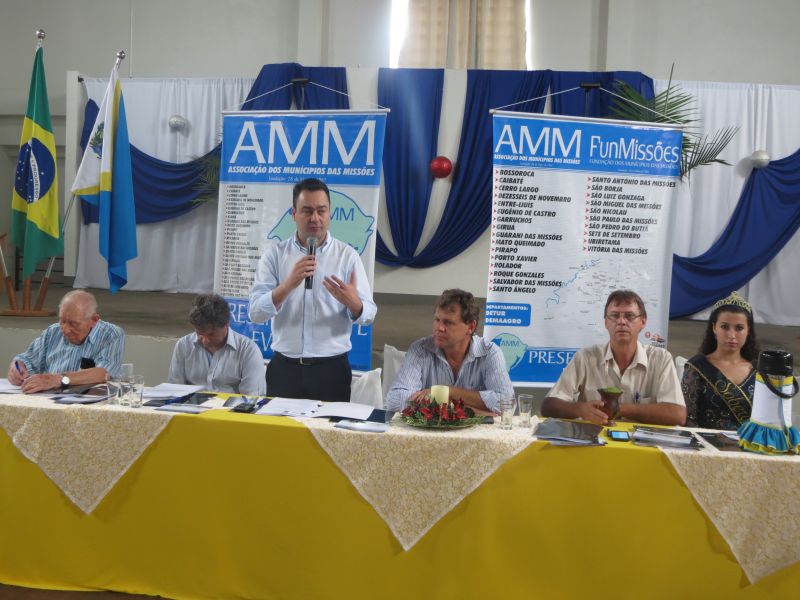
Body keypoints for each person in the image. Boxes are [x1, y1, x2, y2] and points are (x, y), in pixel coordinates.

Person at [248, 178, 376, 402]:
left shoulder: (347, 257)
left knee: (329, 427)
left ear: (329, 214)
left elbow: (369, 315)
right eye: (307, 211)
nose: (315, 218)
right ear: (294, 214)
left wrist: (353, 303)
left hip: (332, 371)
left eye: (321, 210)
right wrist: (288, 285)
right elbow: (256, 313)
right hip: (284, 370)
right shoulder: (275, 255)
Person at [542, 289, 686, 426]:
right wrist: (580, 409)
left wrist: (617, 408)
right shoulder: (585, 357)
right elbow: (548, 405)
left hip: (642, 442)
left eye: (630, 316)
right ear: (606, 322)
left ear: (643, 322)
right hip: (594, 439)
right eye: (615, 316)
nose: (621, 321)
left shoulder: (660, 359)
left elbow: (677, 414)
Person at [385, 289, 514, 413]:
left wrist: (449, 392)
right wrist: (468, 409)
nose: (439, 328)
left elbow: (506, 402)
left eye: (448, 322)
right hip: (432, 429)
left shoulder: (490, 353)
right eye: (437, 320)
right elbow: (394, 400)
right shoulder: (420, 350)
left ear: (470, 327)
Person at [7, 290, 124, 393]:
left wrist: (57, 379)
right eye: (62, 321)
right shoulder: (52, 332)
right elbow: (26, 360)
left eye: (74, 324)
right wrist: (17, 367)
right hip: (48, 400)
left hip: (89, 404)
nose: (66, 330)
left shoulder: (111, 335)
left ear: (94, 320)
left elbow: (104, 373)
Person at [681, 292, 759, 430]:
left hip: (749, 443)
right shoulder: (697, 367)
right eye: (724, 327)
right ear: (714, 328)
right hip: (704, 442)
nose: (731, 335)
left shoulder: (759, 370)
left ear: (748, 330)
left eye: (739, 328)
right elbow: (688, 420)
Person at [168, 293, 266, 396]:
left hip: (231, 406)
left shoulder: (248, 350)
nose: (205, 340)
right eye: (200, 333)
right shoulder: (183, 346)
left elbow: (252, 398)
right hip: (189, 405)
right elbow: (174, 391)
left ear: (226, 324)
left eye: (211, 334)